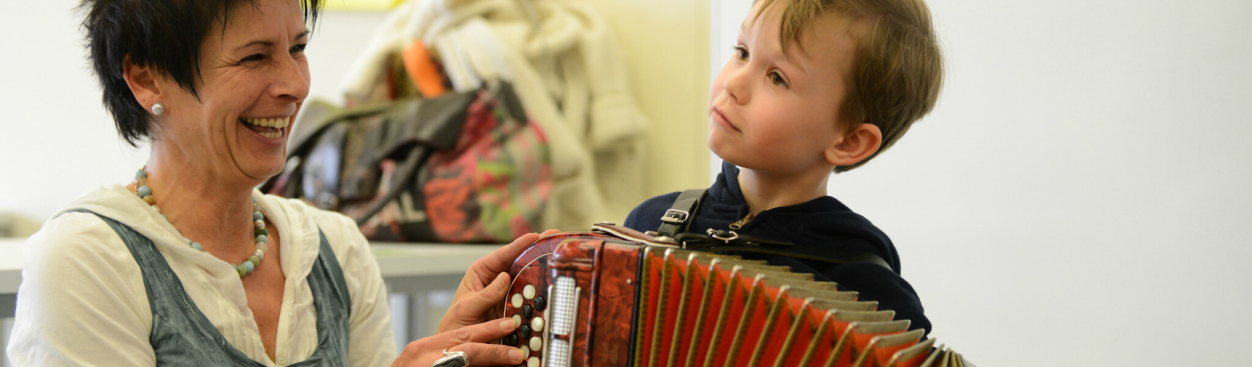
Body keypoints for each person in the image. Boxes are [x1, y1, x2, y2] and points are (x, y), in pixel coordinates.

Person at [5, 0, 540, 366]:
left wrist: (442, 349)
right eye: (255, 56)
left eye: (298, 48)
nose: (295, 84)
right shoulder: (85, 259)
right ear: (146, 77)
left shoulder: (334, 249)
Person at [624, 0, 943, 337]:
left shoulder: (870, 295)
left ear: (849, 141)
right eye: (743, 52)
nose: (734, 84)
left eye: (777, 78)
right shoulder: (649, 224)